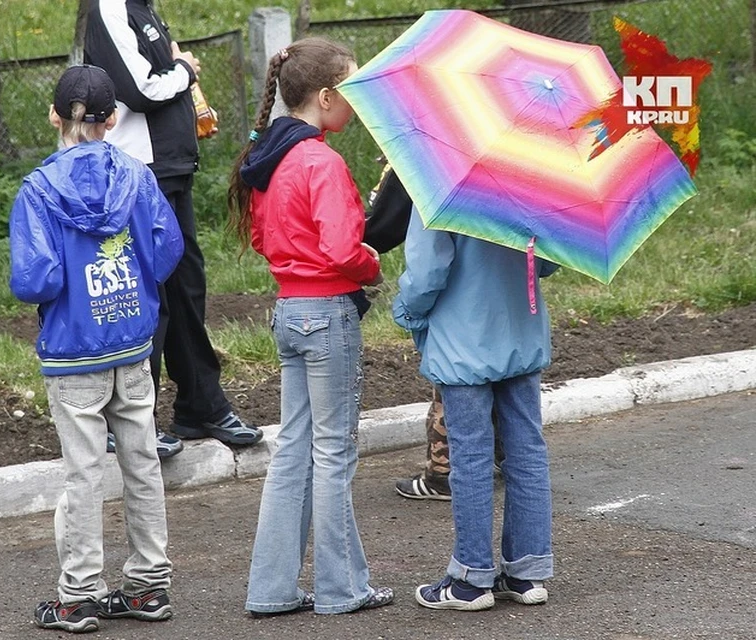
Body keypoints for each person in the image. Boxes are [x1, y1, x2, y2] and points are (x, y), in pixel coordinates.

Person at [9, 65, 183, 633]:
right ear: (114, 118)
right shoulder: (138, 176)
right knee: (142, 462)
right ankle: (149, 586)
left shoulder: (38, 190)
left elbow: (35, 280)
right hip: (132, 342)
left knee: (82, 474)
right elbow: (164, 256)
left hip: (72, 349)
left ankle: (79, 594)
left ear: (54, 115)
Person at [229, 38, 394, 617]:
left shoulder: (269, 157)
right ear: (326, 97)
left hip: (287, 312)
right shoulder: (321, 160)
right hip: (328, 316)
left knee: (294, 449)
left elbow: (259, 238)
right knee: (333, 453)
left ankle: (272, 590)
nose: (355, 102)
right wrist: (372, 260)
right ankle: (342, 589)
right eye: (349, 89)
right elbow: (344, 249)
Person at [84, 0, 261, 459]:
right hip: (142, 172)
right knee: (151, 298)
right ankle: (131, 421)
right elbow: (139, 90)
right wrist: (184, 69)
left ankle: (200, 405)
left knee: (186, 289)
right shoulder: (109, 8)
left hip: (172, 169)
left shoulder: (141, 7)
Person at [393, 205, 559, 611]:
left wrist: (407, 311)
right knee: (527, 452)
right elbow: (549, 262)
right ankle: (526, 573)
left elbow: (428, 271)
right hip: (521, 330)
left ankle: (470, 579)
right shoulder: (533, 181)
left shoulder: (439, 189)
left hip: (461, 339)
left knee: (470, 457)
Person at [363, 162, 502, 501]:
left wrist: (409, 310)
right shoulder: (519, 164)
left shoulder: (435, 162)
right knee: (503, 377)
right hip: (509, 300)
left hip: (456, 306)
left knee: (454, 383)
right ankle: (508, 457)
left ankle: (443, 473)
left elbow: (426, 268)